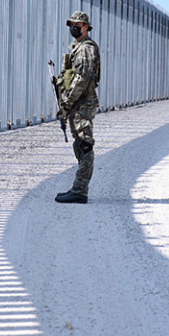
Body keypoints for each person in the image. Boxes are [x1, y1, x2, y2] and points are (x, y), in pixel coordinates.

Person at [54, 11, 101, 204]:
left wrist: (68, 103)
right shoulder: (78, 47)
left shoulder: (86, 49)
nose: (74, 27)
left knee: (84, 144)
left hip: (82, 103)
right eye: (72, 24)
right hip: (78, 103)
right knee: (80, 144)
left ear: (86, 27)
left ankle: (80, 191)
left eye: (78, 24)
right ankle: (78, 188)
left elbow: (82, 78)